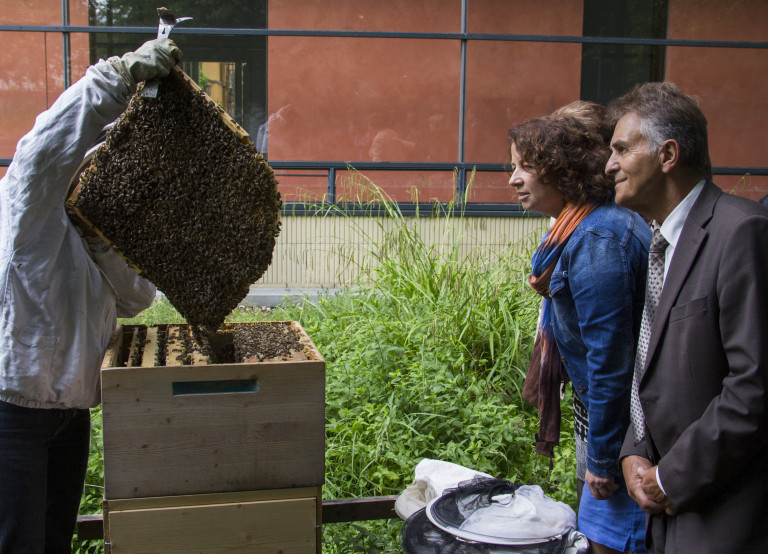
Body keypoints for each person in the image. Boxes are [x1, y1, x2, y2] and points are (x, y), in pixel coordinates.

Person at [0, 38, 181, 552]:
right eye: (90, 159)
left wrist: (104, 239)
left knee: (56, 540)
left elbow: (135, 297)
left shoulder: (92, 231)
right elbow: (42, 149)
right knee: (18, 544)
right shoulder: (26, 213)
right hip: (11, 412)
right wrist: (117, 76)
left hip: (72, 413)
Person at [607, 82, 768, 553]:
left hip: (724, 514)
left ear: (668, 154)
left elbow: (754, 386)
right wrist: (633, 452)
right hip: (666, 513)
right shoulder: (658, 242)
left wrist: (672, 478)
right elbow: (652, 366)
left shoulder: (741, 233)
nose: (609, 165)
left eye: (621, 149)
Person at [514, 105, 651, 554]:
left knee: (607, 544)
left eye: (526, 167)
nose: (514, 179)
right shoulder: (583, 228)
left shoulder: (598, 239)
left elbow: (611, 359)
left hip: (623, 433)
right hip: (607, 424)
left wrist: (604, 456)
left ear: (561, 170)